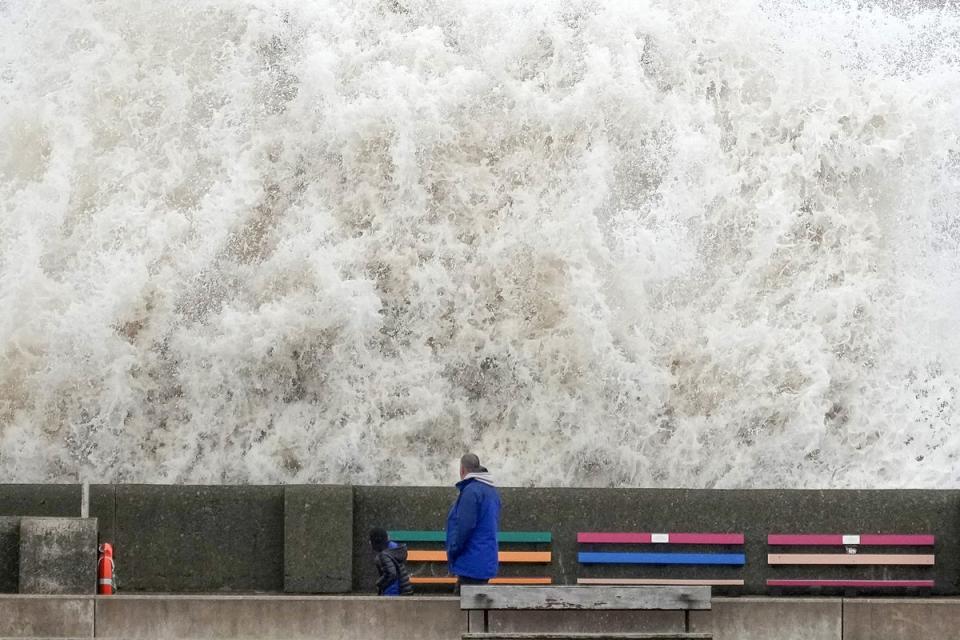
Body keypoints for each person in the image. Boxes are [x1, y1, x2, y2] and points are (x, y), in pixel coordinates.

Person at [445, 453, 501, 588]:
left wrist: (452, 551)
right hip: (485, 560)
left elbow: (464, 527)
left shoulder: (471, 491)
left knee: (464, 605)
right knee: (478, 606)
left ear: (462, 470)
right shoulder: (491, 491)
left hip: (470, 562)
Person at [369, 528, 413, 596]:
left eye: (370, 540)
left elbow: (391, 574)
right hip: (405, 590)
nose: (369, 542)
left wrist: (379, 584)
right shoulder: (394, 549)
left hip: (394, 593)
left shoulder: (384, 555)